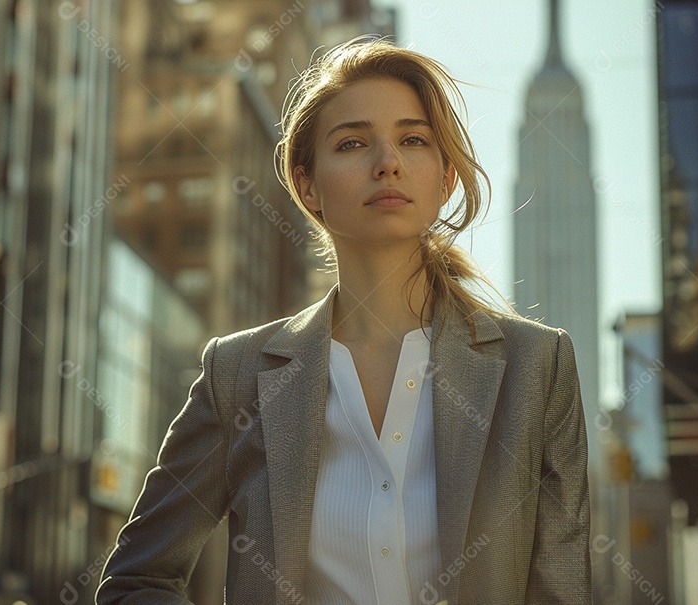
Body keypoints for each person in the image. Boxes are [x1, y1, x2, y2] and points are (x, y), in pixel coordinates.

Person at [96, 36, 591, 605]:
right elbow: (137, 580)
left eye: (413, 140)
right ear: (308, 185)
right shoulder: (237, 374)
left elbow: (562, 593)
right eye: (353, 143)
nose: (388, 162)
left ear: (446, 176)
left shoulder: (537, 368)